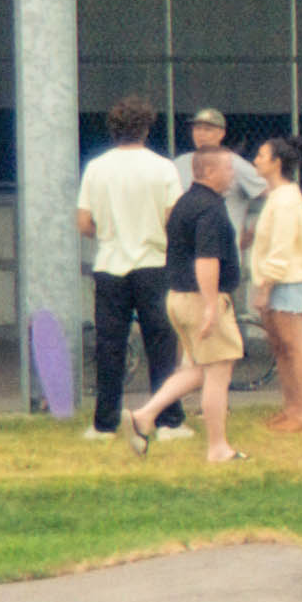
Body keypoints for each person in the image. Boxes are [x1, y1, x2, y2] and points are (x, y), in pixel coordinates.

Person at [124, 145, 247, 464]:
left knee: (196, 369)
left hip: (176, 297)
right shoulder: (210, 210)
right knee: (219, 372)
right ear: (208, 171)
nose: (232, 175)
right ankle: (218, 448)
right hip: (200, 299)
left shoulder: (184, 204)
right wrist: (210, 307)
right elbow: (207, 259)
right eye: (228, 169)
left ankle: (143, 416)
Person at [73, 96, 185, 438]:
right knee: (161, 344)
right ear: (147, 128)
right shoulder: (163, 168)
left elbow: (84, 222)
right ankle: (167, 419)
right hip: (154, 263)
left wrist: (109, 233)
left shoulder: (96, 167)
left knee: (110, 345)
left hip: (109, 265)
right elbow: (174, 218)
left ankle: (104, 423)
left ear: (113, 130)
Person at [247, 133, 302, 430]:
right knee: (280, 347)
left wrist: (265, 288)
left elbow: (281, 248)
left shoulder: (287, 200)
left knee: (294, 347)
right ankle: (290, 408)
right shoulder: (277, 197)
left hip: (287, 281)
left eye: (261, 156)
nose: (255, 160)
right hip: (276, 280)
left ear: (277, 163)